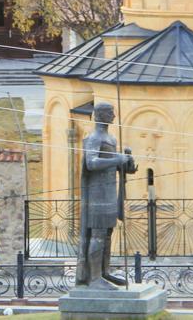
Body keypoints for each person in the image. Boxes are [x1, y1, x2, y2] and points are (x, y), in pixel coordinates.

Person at [76, 101, 137, 288]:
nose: (114, 116)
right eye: (110, 112)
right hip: (97, 195)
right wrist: (118, 158)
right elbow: (91, 163)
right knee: (98, 235)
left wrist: (127, 163)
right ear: (100, 115)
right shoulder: (94, 138)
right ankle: (94, 279)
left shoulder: (111, 139)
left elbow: (112, 163)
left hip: (110, 192)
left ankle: (104, 272)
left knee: (108, 235)